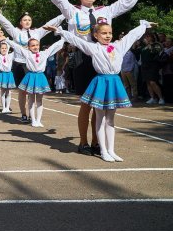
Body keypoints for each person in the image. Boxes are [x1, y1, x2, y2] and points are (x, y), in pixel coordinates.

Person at [30, 0, 153, 155]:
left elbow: (128, 2)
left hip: (104, 60)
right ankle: (83, 142)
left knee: (101, 105)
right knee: (86, 105)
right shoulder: (72, 11)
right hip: (82, 60)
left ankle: (99, 143)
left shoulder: (106, 11)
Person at [46, 19, 155, 162]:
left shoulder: (118, 46)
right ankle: (103, 150)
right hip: (101, 82)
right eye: (104, 33)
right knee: (100, 118)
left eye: (110, 33)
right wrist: (60, 31)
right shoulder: (94, 48)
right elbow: (77, 40)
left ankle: (111, 149)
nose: (108, 35)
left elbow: (131, 36)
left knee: (110, 119)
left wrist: (143, 25)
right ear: (96, 35)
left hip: (114, 81)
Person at [0, 10, 64, 122]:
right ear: (20, 22)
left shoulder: (37, 32)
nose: (27, 21)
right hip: (20, 64)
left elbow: (51, 23)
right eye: (25, 20)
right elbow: (7, 25)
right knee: (23, 92)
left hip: (34, 66)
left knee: (35, 91)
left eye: (29, 20)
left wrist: (64, 14)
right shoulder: (16, 32)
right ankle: (24, 114)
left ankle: (33, 116)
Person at [7, 37, 66, 128]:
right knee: (31, 99)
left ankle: (38, 120)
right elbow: (17, 47)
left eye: (37, 45)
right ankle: (33, 120)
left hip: (40, 77)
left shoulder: (44, 53)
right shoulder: (27, 54)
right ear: (29, 47)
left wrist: (62, 39)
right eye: (33, 45)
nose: (35, 47)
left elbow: (54, 47)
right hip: (31, 77)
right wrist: (7, 40)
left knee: (39, 100)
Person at [141, 32, 165, 104]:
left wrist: (149, 44)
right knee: (148, 82)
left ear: (152, 37)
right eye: (146, 37)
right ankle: (153, 98)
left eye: (148, 36)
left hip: (153, 66)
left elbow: (155, 52)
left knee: (153, 82)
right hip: (145, 66)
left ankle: (161, 98)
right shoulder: (144, 47)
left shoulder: (156, 44)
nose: (146, 38)